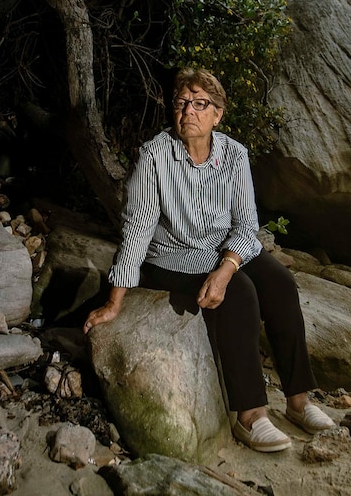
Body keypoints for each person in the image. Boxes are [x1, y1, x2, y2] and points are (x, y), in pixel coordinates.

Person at [82, 67, 335, 452]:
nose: (189, 112)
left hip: (222, 245)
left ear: (218, 114)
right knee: (240, 292)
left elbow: (246, 224)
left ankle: (299, 400)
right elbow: (137, 230)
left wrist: (226, 266)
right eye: (182, 103)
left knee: (280, 282)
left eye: (201, 104)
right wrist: (115, 300)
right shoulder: (155, 157)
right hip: (172, 254)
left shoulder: (234, 154)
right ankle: (250, 414)